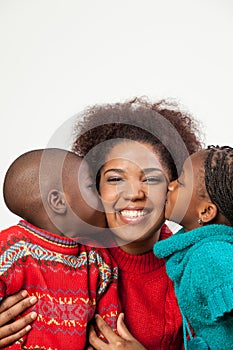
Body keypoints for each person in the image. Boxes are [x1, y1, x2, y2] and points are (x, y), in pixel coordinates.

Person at [0, 97, 203, 349]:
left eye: (151, 179)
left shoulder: (192, 269)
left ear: (173, 189)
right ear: (95, 188)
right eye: (115, 179)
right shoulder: (60, 252)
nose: (133, 194)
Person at [0, 148, 121, 349]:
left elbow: (110, 328)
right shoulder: (11, 248)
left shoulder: (99, 260)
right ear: (58, 202)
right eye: (91, 186)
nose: (104, 196)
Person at [154, 145, 233, 350]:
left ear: (206, 212)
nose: (170, 186)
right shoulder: (200, 249)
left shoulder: (212, 256)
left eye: (181, 183)